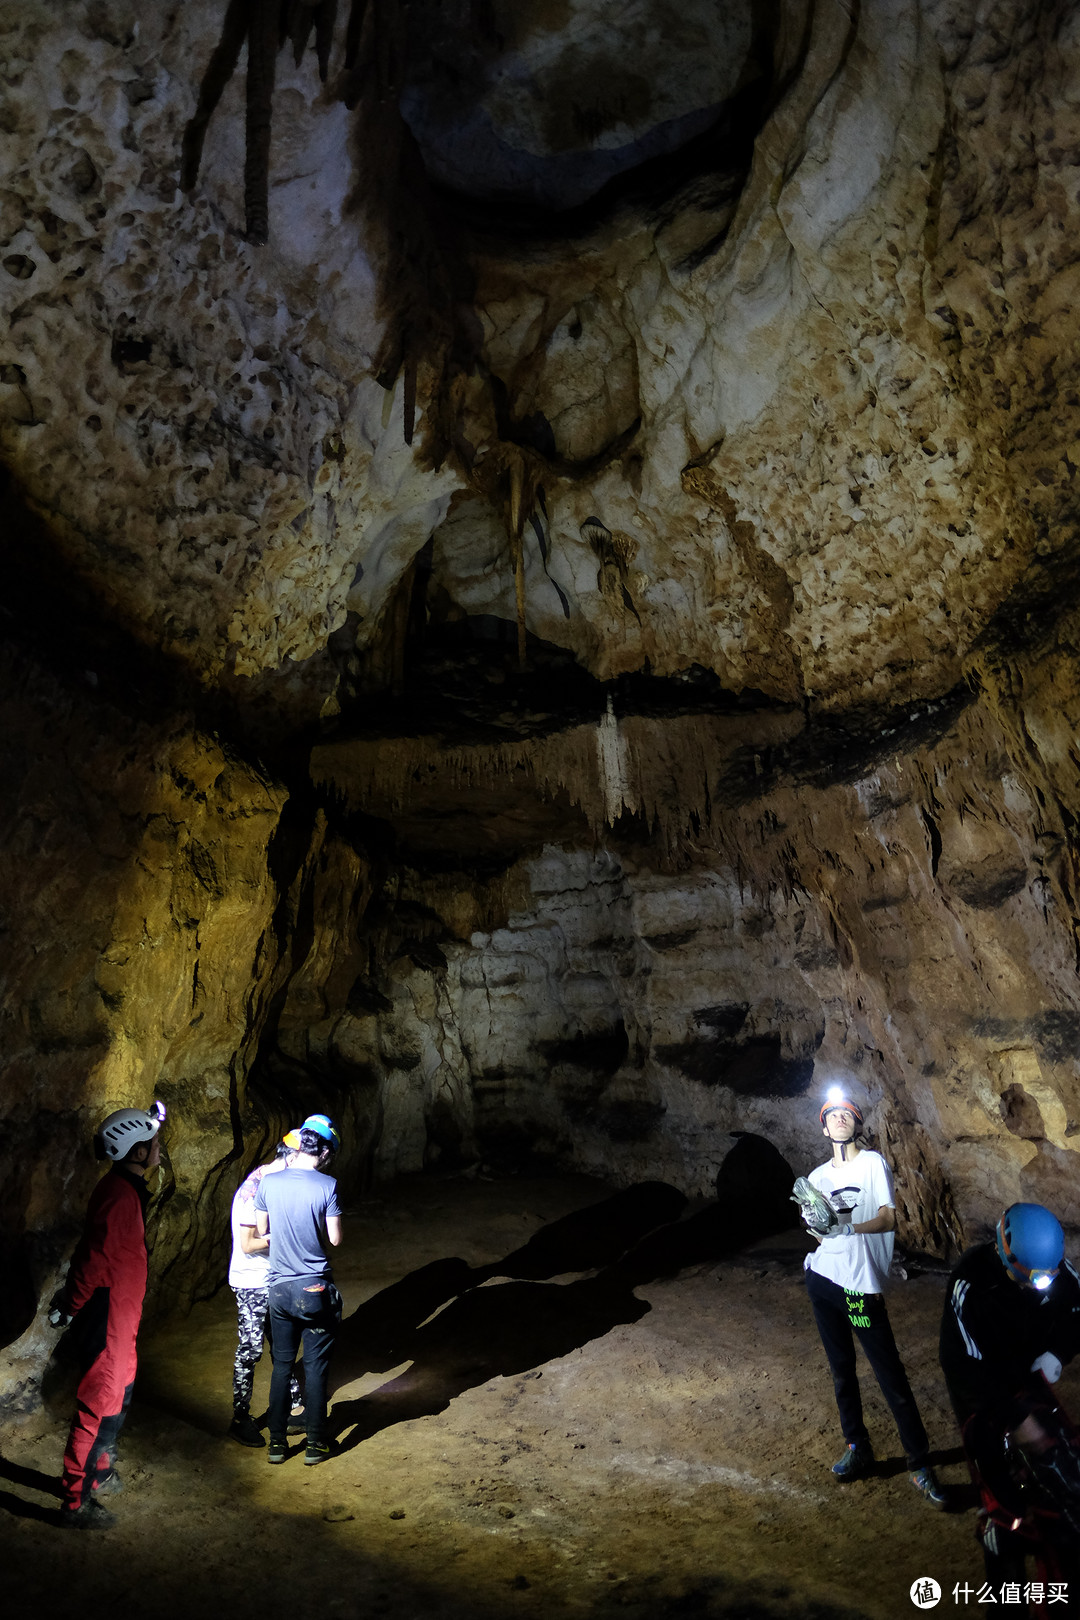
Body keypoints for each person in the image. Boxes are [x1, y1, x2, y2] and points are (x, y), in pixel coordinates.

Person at [798, 1085, 945, 1506]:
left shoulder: (872, 1165)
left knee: (889, 1374)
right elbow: (816, 1229)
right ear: (824, 1127)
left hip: (860, 1287)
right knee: (841, 1368)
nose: (839, 1117)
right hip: (824, 1281)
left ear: (857, 1123)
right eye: (832, 1113)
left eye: (847, 1112)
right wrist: (822, 1228)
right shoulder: (816, 1179)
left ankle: (919, 1463)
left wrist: (848, 1229)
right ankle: (856, 1446)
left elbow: (886, 1218)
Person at [940, 1202, 1080, 1580]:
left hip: (1029, 1381)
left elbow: (1076, 1307)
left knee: (1063, 1477)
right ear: (1010, 1258)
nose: (1045, 1283)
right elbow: (964, 1371)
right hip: (983, 1396)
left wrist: (1057, 1352)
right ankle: (1003, 1541)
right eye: (1036, 1278)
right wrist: (1015, 1420)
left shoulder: (1052, 1270)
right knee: (1003, 1494)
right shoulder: (971, 1287)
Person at [49, 1100, 167, 1529]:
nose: (158, 1147)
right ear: (136, 1152)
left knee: (121, 1391)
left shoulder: (125, 1190)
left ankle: (98, 1472)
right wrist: (70, 1306)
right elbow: (93, 1261)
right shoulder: (118, 1196)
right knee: (97, 1404)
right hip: (107, 1317)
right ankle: (74, 1501)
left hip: (122, 1316)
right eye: (153, 1142)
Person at [254, 1113, 343, 1466]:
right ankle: (315, 1444)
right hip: (314, 1288)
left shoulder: (269, 1183)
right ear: (323, 1151)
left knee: (282, 1367)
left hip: (278, 1289)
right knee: (316, 1368)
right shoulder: (327, 1185)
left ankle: (276, 1444)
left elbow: (263, 1230)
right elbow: (334, 1238)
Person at [228, 1132, 304, 1446]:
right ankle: (240, 1418)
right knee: (251, 1350)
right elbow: (247, 1245)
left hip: (274, 1278)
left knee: (283, 1345)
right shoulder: (254, 1189)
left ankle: (295, 1409)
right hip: (251, 1282)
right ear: (294, 1157)